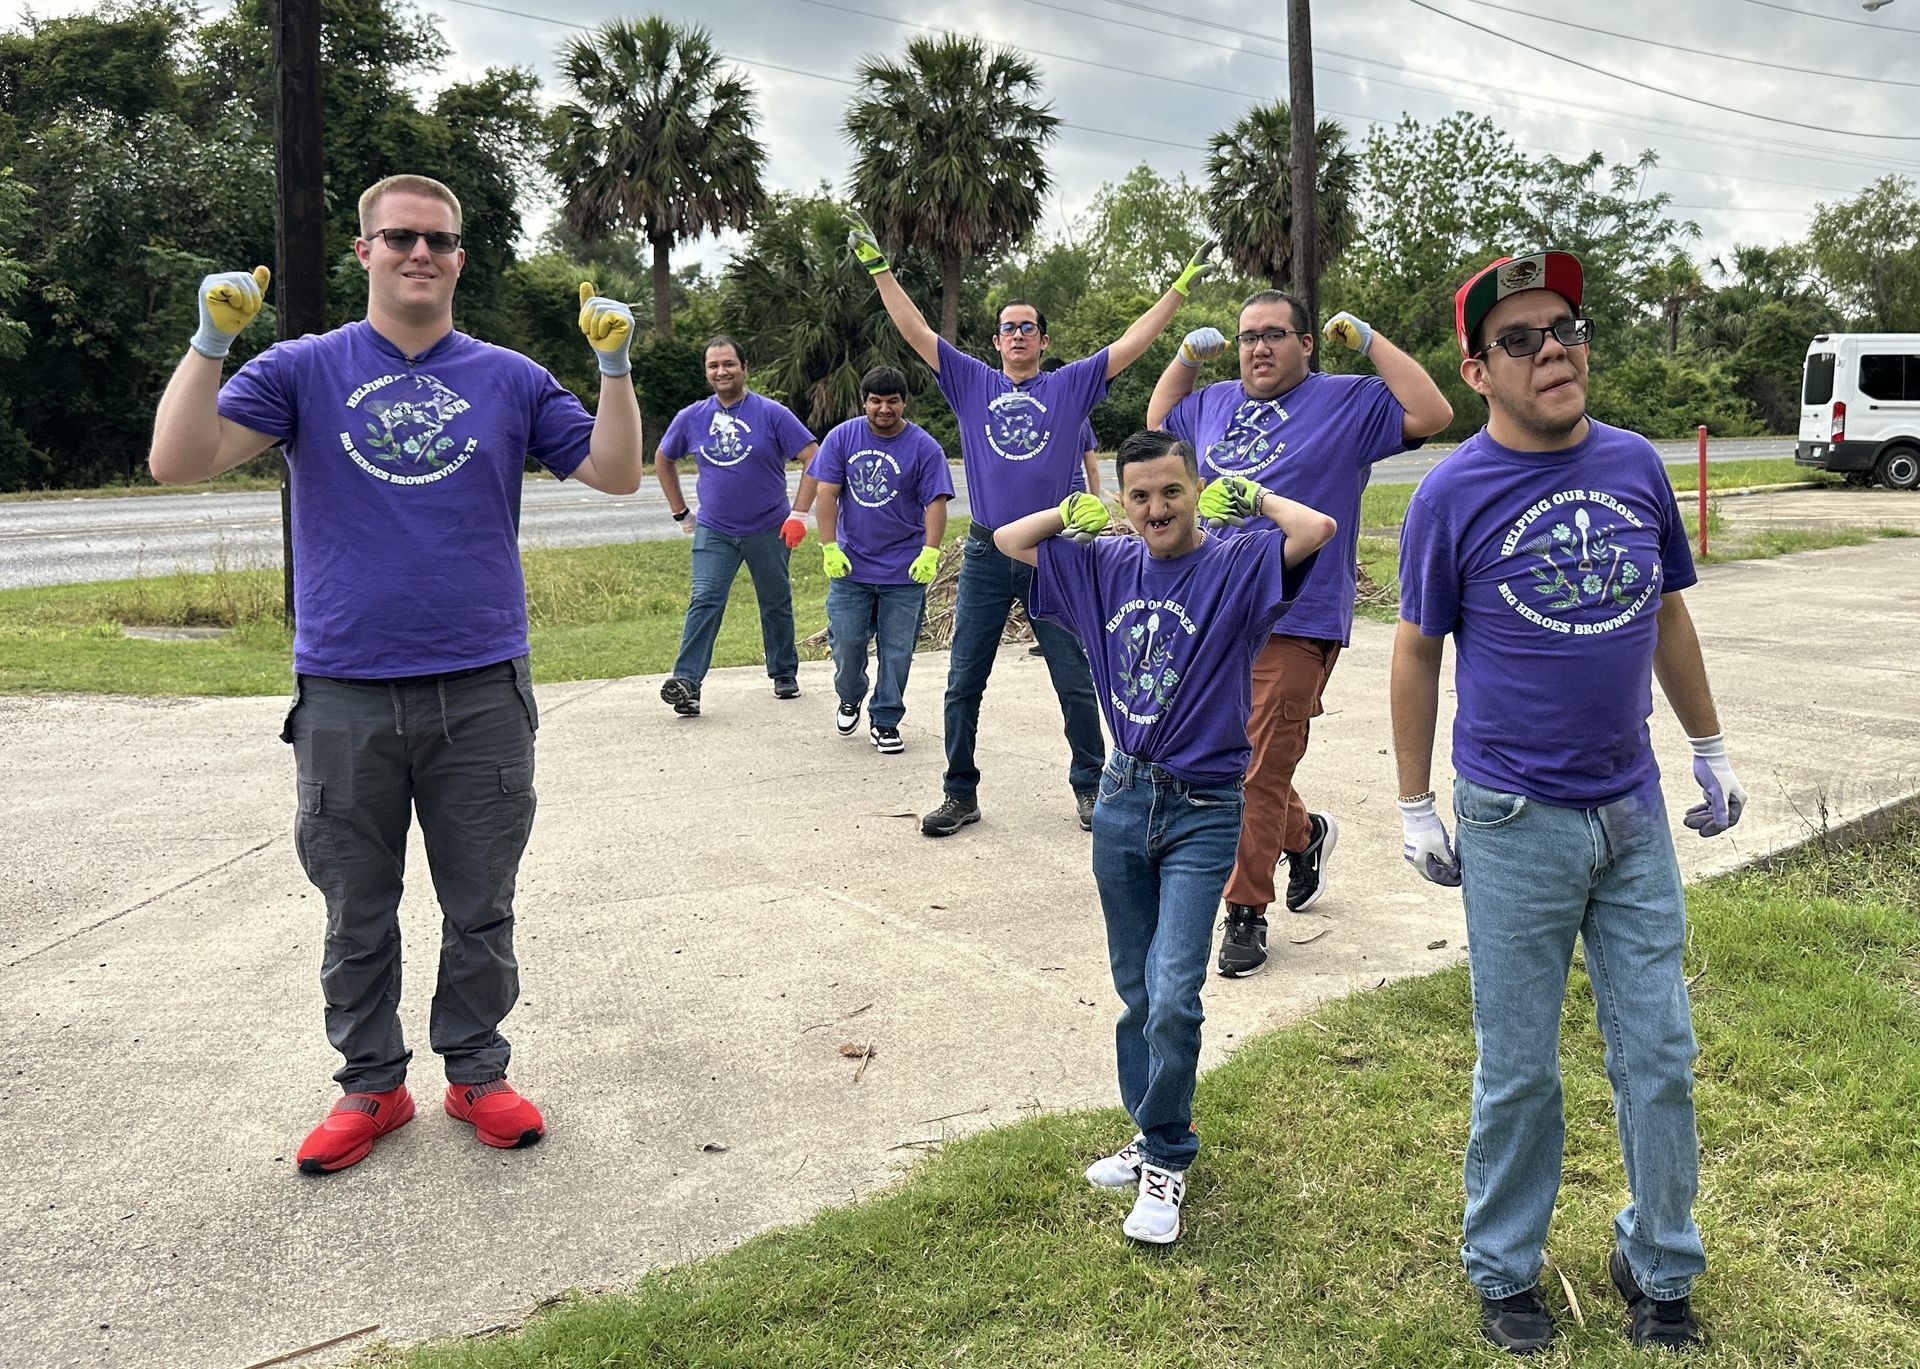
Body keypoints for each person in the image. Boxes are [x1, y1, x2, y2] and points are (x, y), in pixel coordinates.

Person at [147, 174, 644, 1172]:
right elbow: (179, 459)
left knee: (482, 904)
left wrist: (618, 368)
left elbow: (616, 473)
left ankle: (477, 1071)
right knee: (356, 909)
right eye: (401, 237)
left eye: (441, 241)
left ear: (460, 259)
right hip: (344, 688)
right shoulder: (303, 370)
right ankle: (372, 1088)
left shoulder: (507, 377)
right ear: (365, 252)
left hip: (481, 687)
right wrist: (210, 346)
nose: (421, 253)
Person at [1391, 249, 1743, 1354]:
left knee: (1660, 1051)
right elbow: (1415, 652)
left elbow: (1667, 616)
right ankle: (1503, 1267)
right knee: (1520, 1065)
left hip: (1631, 812)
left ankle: (1660, 1265)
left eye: (1568, 330)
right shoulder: (1451, 492)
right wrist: (1413, 801)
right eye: (1522, 338)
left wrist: (1710, 745)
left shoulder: (1636, 466)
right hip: (1512, 819)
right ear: (1478, 369)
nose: (1554, 350)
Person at [996, 430, 1334, 1243]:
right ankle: (1148, 1129)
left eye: (1171, 491)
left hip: (1204, 805)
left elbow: (1314, 530)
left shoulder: (1235, 563)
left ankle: (1168, 1160)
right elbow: (1010, 537)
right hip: (1120, 797)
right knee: (1136, 992)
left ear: (1195, 490)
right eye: (1139, 495)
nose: (1156, 508)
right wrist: (1068, 512)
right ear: (1121, 500)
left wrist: (1249, 495)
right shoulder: (1103, 562)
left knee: (1176, 991)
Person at [848, 212, 1211, 836]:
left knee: (1075, 679)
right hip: (989, 553)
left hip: (1056, 553)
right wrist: (881, 269)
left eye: (1028, 328)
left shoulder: (1070, 386)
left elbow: (1130, 344)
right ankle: (959, 792)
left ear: (1043, 341)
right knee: (964, 680)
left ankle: (1092, 788)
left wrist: (1178, 288)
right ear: (996, 342)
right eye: (1008, 328)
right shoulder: (969, 381)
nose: (1017, 335)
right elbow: (914, 329)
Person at [1147, 292, 1453, 977]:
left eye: (1275, 335)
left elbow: (1433, 412)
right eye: (1247, 335)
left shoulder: (1345, 401)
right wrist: (1184, 359)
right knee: (1222, 757)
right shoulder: (1216, 400)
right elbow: (1158, 419)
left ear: (1307, 344)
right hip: (1217, 605)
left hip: (1297, 611)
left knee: (1254, 764)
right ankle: (1304, 834)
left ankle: (1246, 910)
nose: (1259, 347)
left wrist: (1371, 339)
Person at [653, 336, 820, 716]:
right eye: (713, 366)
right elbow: (664, 458)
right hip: (714, 529)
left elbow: (813, 456)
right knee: (705, 600)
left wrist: (799, 513)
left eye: (728, 364)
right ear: (706, 373)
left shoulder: (771, 413)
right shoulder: (692, 417)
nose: (721, 371)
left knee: (775, 601)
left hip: (769, 526)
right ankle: (687, 683)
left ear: (744, 367)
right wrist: (681, 513)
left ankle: (783, 672)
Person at [811, 366, 955, 752]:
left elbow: (936, 501)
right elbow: (826, 494)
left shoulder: (924, 447)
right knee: (845, 640)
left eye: (892, 401)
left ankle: (886, 718)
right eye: (876, 400)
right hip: (851, 565)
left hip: (904, 568)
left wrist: (930, 551)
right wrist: (829, 545)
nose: (884, 408)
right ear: (865, 401)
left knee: (897, 650)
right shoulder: (843, 437)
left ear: (903, 402)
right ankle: (851, 691)